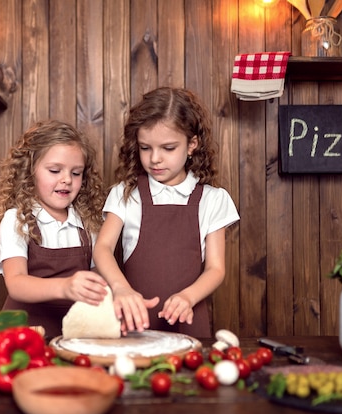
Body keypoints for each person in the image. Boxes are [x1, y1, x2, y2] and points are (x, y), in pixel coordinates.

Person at [94, 87, 240, 338]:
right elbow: (103, 248)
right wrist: (120, 288)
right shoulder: (125, 193)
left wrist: (187, 297)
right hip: (133, 322)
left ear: (192, 144)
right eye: (145, 148)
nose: (155, 159)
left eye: (168, 148)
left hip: (188, 319)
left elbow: (216, 269)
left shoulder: (213, 200)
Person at [0, 119, 108, 338]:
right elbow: (16, 283)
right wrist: (65, 287)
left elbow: (98, 276)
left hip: (74, 334)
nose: (66, 180)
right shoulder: (17, 220)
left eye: (76, 173)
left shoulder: (88, 221)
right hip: (24, 332)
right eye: (54, 170)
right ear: (30, 171)